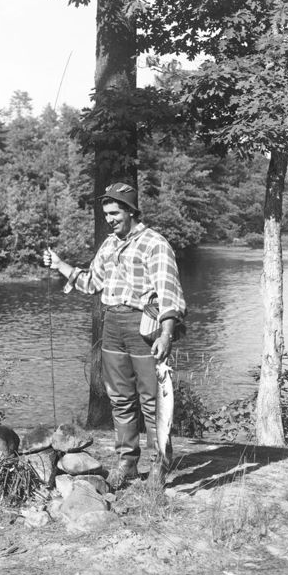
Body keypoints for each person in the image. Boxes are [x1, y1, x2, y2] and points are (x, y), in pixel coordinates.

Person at [42, 183, 187, 491]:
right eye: (106, 214)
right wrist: (60, 265)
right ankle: (127, 463)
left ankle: (159, 464)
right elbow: (91, 283)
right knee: (120, 400)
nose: (109, 219)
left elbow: (169, 294)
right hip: (112, 326)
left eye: (115, 213)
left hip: (144, 327)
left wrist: (166, 334)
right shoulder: (108, 245)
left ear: (131, 211)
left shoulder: (155, 244)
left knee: (153, 402)